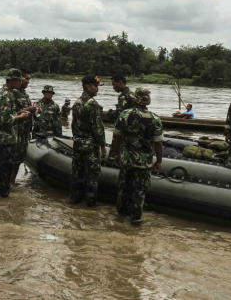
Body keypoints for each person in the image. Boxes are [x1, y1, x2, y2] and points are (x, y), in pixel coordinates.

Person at [113, 87, 164, 225]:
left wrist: (116, 154)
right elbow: (158, 144)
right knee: (139, 192)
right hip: (144, 163)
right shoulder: (155, 119)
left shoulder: (124, 115)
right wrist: (159, 161)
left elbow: (116, 137)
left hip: (126, 160)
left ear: (135, 98)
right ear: (148, 100)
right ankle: (135, 220)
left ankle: (120, 217)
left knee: (124, 188)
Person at [0, 69, 30, 197]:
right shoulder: (5, 94)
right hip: (6, 136)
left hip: (5, 135)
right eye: (18, 80)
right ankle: (2, 193)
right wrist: (19, 117)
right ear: (11, 80)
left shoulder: (8, 93)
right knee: (5, 165)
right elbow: (5, 119)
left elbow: (7, 115)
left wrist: (18, 114)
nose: (20, 82)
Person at [70, 75, 107, 207]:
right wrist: (103, 145)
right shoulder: (93, 104)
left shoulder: (77, 102)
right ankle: (90, 205)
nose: (97, 89)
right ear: (88, 87)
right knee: (92, 176)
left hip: (78, 142)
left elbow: (74, 125)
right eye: (96, 86)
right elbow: (98, 128)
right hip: (90, 145)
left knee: (77, 174)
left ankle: (75, 201)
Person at [11, 69, 36, 185]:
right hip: (16, 131)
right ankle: (9, 182)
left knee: (20, 158)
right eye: (27, 79)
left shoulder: (25, 94)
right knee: (13, 159)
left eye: (29, 79)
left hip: (25, 131)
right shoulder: (13, 93)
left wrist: (34, 110)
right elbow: (10, 112)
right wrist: (27, 110)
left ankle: (12, 182)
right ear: (20, 79)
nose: (28, 82)